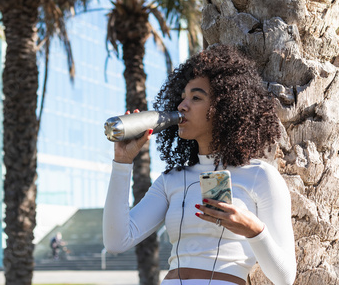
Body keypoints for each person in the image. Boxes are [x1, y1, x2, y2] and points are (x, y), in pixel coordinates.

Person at [103, 45, 296, 285]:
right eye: (183, 98)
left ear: (226, 108)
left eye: (196, 98)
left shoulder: (259, 176)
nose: (182, 106)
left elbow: (285, 277)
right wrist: (122, 163)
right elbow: (116, 241)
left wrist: (253, 229)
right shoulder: (171, 180)